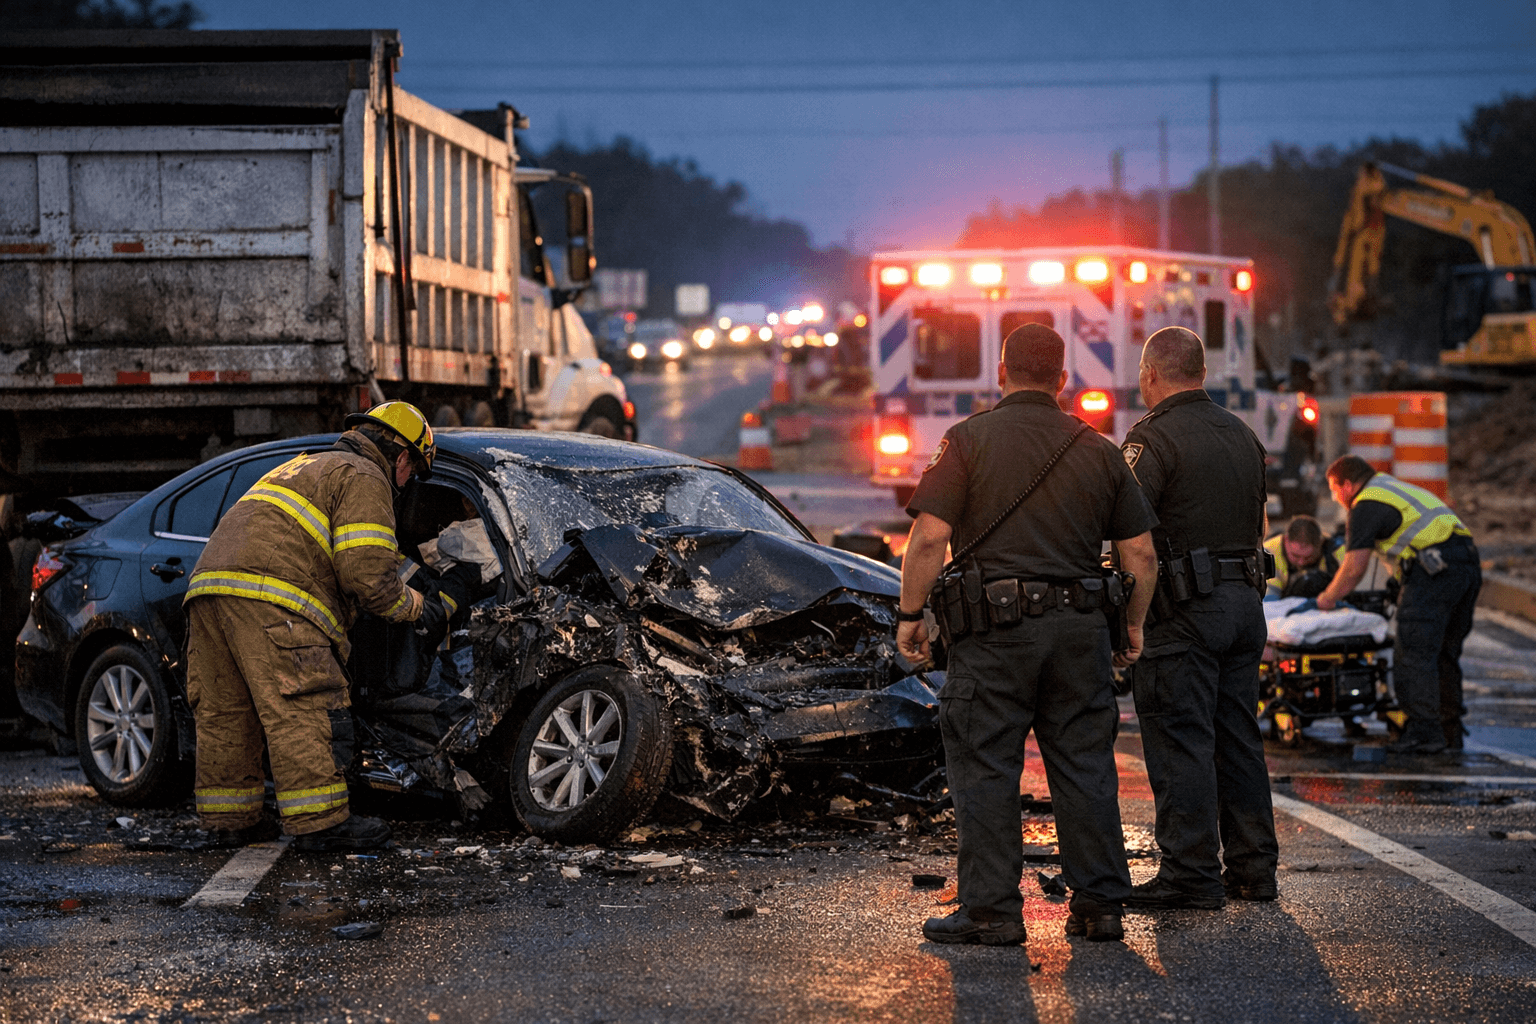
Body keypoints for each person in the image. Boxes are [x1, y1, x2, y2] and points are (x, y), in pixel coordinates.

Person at [898, 322, 1158, 946]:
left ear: (1001, 372)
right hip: (1078, 637)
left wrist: (911, 617)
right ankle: (1099, 909)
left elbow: (930, 538)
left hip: (992, 639)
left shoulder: (967, 441)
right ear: (1064, 380)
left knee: (986, 766)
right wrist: (1132, 625)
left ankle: (991, 912)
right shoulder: (1097, 449)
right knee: (1085, 766)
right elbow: (1141, 554)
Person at [184, 401, 448, 851]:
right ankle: (320, 823)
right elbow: (367, 575)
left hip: (208, 593)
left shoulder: (305, 466)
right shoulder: (366, 476)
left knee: (225, 713)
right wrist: (419, 608)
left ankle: (230, 823)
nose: (408, 483)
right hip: (275, 600)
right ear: (402, 456)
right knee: (301, 705)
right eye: (413, 472)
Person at [1121, 326, 1279, 911]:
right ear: (1203, 373)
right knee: (1238, 738)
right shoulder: (1242, 434)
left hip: (1183, 612)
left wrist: (1130, 620)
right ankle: (1254, 870)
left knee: (1180, 740)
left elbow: (1132, 540)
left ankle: (1189, 874)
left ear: (1151, 374)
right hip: (1245, 606)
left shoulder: (1151, 441)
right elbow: (1258, 525)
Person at [1316, 455, 1481, 753]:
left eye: (1334, 488)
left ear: (1349, 485)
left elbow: (1354, 568)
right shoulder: (1394, 489)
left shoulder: (1365, 504)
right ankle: (1449, 731)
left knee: (1413, 653)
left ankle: (1422, 733)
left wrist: (1327, 599)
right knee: (1443, 654)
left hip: (1434, 569)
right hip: (1466, 564)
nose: (1334, 497)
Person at [1264, 514, 1343, 599]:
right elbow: (1268, 598)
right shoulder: (1268, 552)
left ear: (1321, 543)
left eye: (1308, 557)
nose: (1301, 562)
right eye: (1295, 556)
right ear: (1286, 540)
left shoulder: (1338, 552)